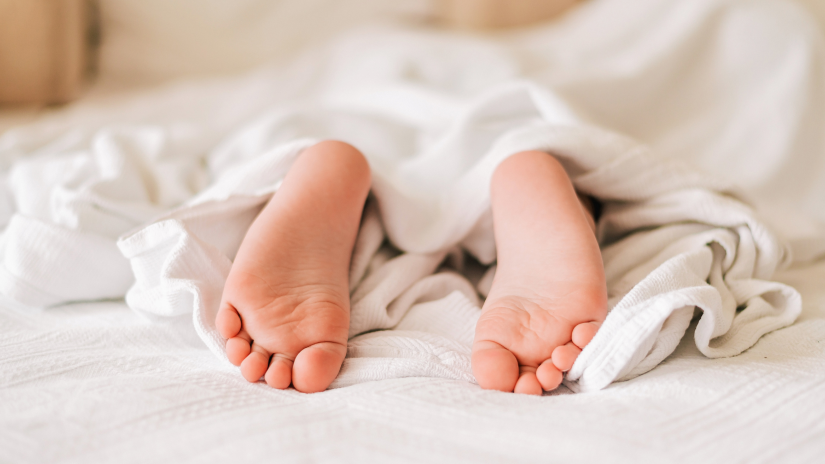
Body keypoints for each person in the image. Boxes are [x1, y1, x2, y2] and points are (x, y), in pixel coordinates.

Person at [215, 140, 607, 395]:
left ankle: (323, 168)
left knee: (267, 140)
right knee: (533, 147)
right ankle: (540, 182)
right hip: (486, 141)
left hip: (380, 134)